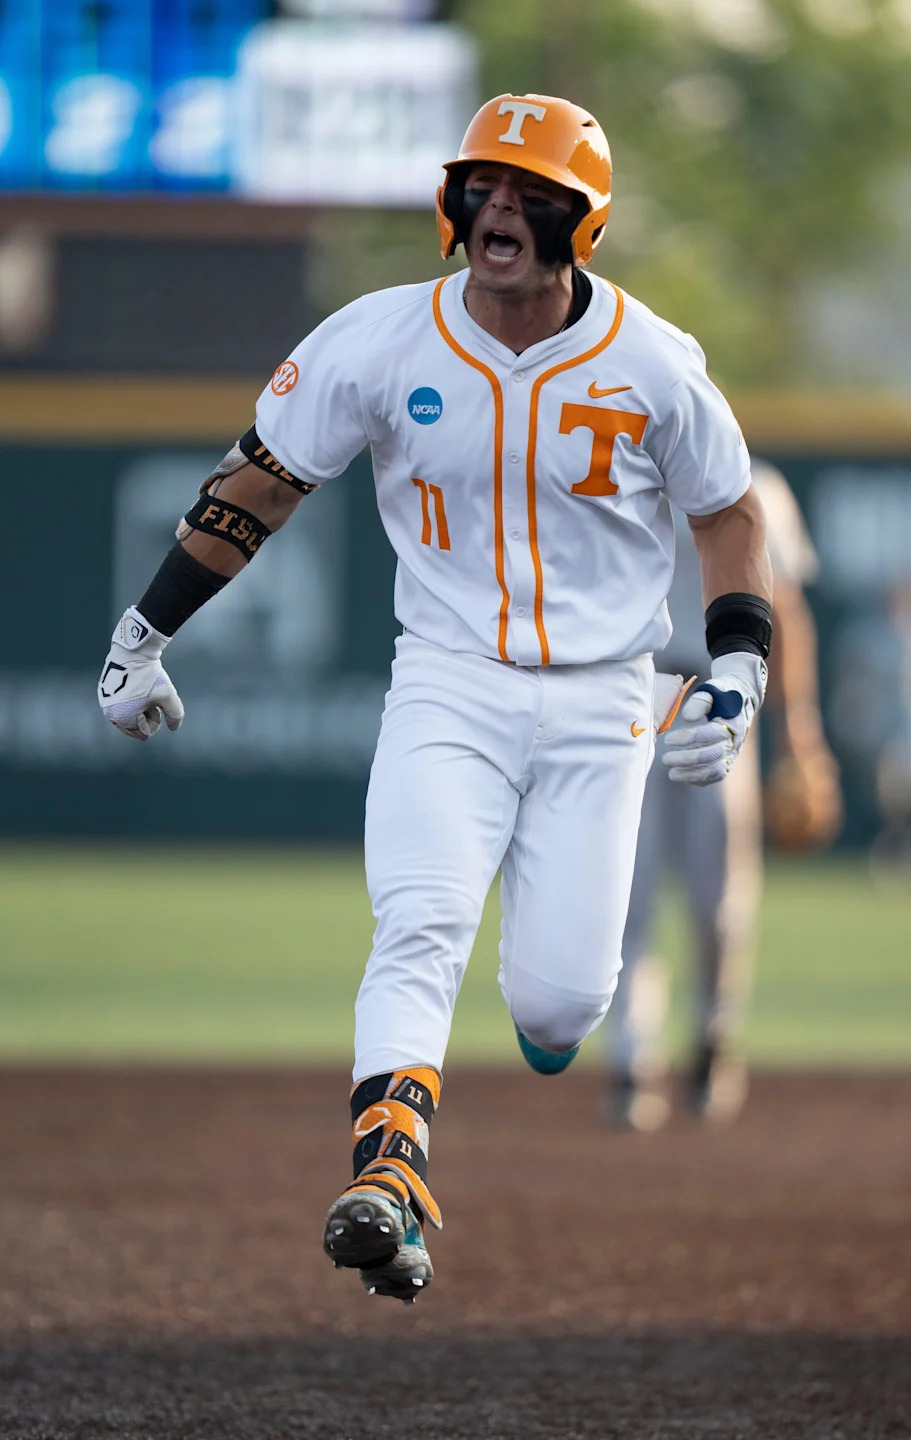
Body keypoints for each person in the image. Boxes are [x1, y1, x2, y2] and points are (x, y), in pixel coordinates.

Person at [97, 93, 772, 1303]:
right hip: (448, 682)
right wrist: (144, 631)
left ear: (584, 218)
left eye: (531, 191)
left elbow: (729, 511)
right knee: (418, 921)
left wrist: (737, 664)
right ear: (454, 203)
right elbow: (259, 483)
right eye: (484, 184)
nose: (501, 205)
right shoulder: (377, 338)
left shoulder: (651, 359)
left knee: (564, 1001)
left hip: (603, 696)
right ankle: (387, 1177)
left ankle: (543, 1027)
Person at [605, 462, 843, 1131]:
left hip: (721, 697)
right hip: (633, 696)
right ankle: (632, 1057)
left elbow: (785, 613)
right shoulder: (620, 475)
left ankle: (713, 1040)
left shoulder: (758, 485)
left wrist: (802, 731)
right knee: (630, 888)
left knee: (720, 900)